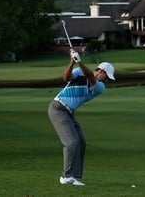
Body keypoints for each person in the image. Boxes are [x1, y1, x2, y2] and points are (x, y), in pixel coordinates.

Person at [48, 49, 116, 186]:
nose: (107, 80)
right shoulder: (79, 72)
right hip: (58, 108)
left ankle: (73, 176)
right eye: (107, 77)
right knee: (72, 142)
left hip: (69, 112)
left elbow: (90, 77)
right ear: (101, 71)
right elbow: (66, 78)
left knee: (81, 142)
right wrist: (72, 62)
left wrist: (80, 62)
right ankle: (66, 177)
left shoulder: (100, 87)